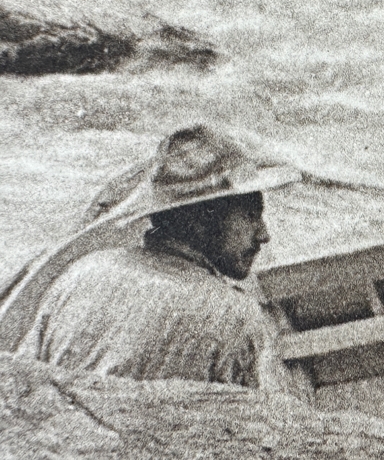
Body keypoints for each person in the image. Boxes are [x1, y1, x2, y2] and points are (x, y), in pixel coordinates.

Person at [16, 125, 300, 392]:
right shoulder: (236, 315)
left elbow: (18, 385)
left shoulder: (79, 274)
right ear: (203, 218)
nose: (264, 235)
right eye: (251, 215)